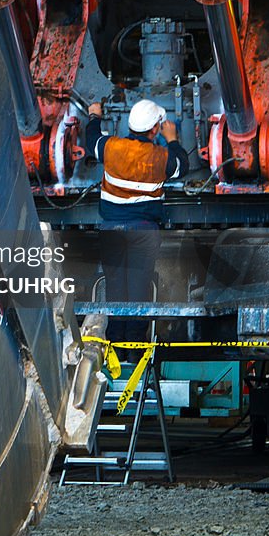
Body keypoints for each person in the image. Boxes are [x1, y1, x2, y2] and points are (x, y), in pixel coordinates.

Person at [85, 99, 189, 351]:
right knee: (139, 290)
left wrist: (94, 116)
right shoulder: (161, 157)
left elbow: (91, 141)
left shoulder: (110, 147)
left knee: (115, 291)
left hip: (111, 231)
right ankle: (135, 352)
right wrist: (173, 138)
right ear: (154, 129)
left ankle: (115, 351)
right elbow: (182, 166)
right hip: (143, 232)